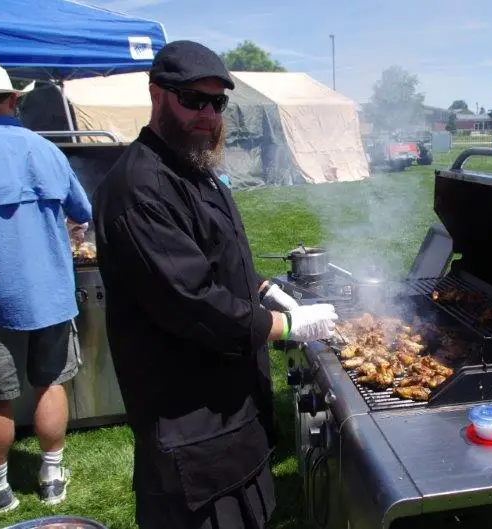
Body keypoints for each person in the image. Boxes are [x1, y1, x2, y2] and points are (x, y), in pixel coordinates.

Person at [91, 40, 339, 529]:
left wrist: (265, 288)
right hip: (190, 426)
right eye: (193, 100)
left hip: (231, 414)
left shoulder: (195, 170)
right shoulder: (140, 188)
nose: (207, 115)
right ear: (157, 94)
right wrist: (286, 325)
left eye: (217, 104)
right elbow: (191, 302)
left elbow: (216, 260)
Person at [0, 55, 92, 515]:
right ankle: (51, 476)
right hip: (53, 294)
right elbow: (82, 211)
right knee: (52, 384)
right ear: (13, 100)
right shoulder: (47, 149)